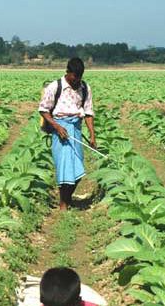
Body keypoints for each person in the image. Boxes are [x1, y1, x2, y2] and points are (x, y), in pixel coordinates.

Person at [39, 57, 96, 210]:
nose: (76, 80)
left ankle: (67, 198)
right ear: (68, 72)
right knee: (64, 166)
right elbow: (44, 110)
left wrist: (92, 135)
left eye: (79, 77)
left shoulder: (84, 88)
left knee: (78, 166)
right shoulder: (54, 87)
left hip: (75, 129)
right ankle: (63, 203)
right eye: (74, 77)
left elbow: (88, 113)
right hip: (60, 129)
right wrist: (57, 127)